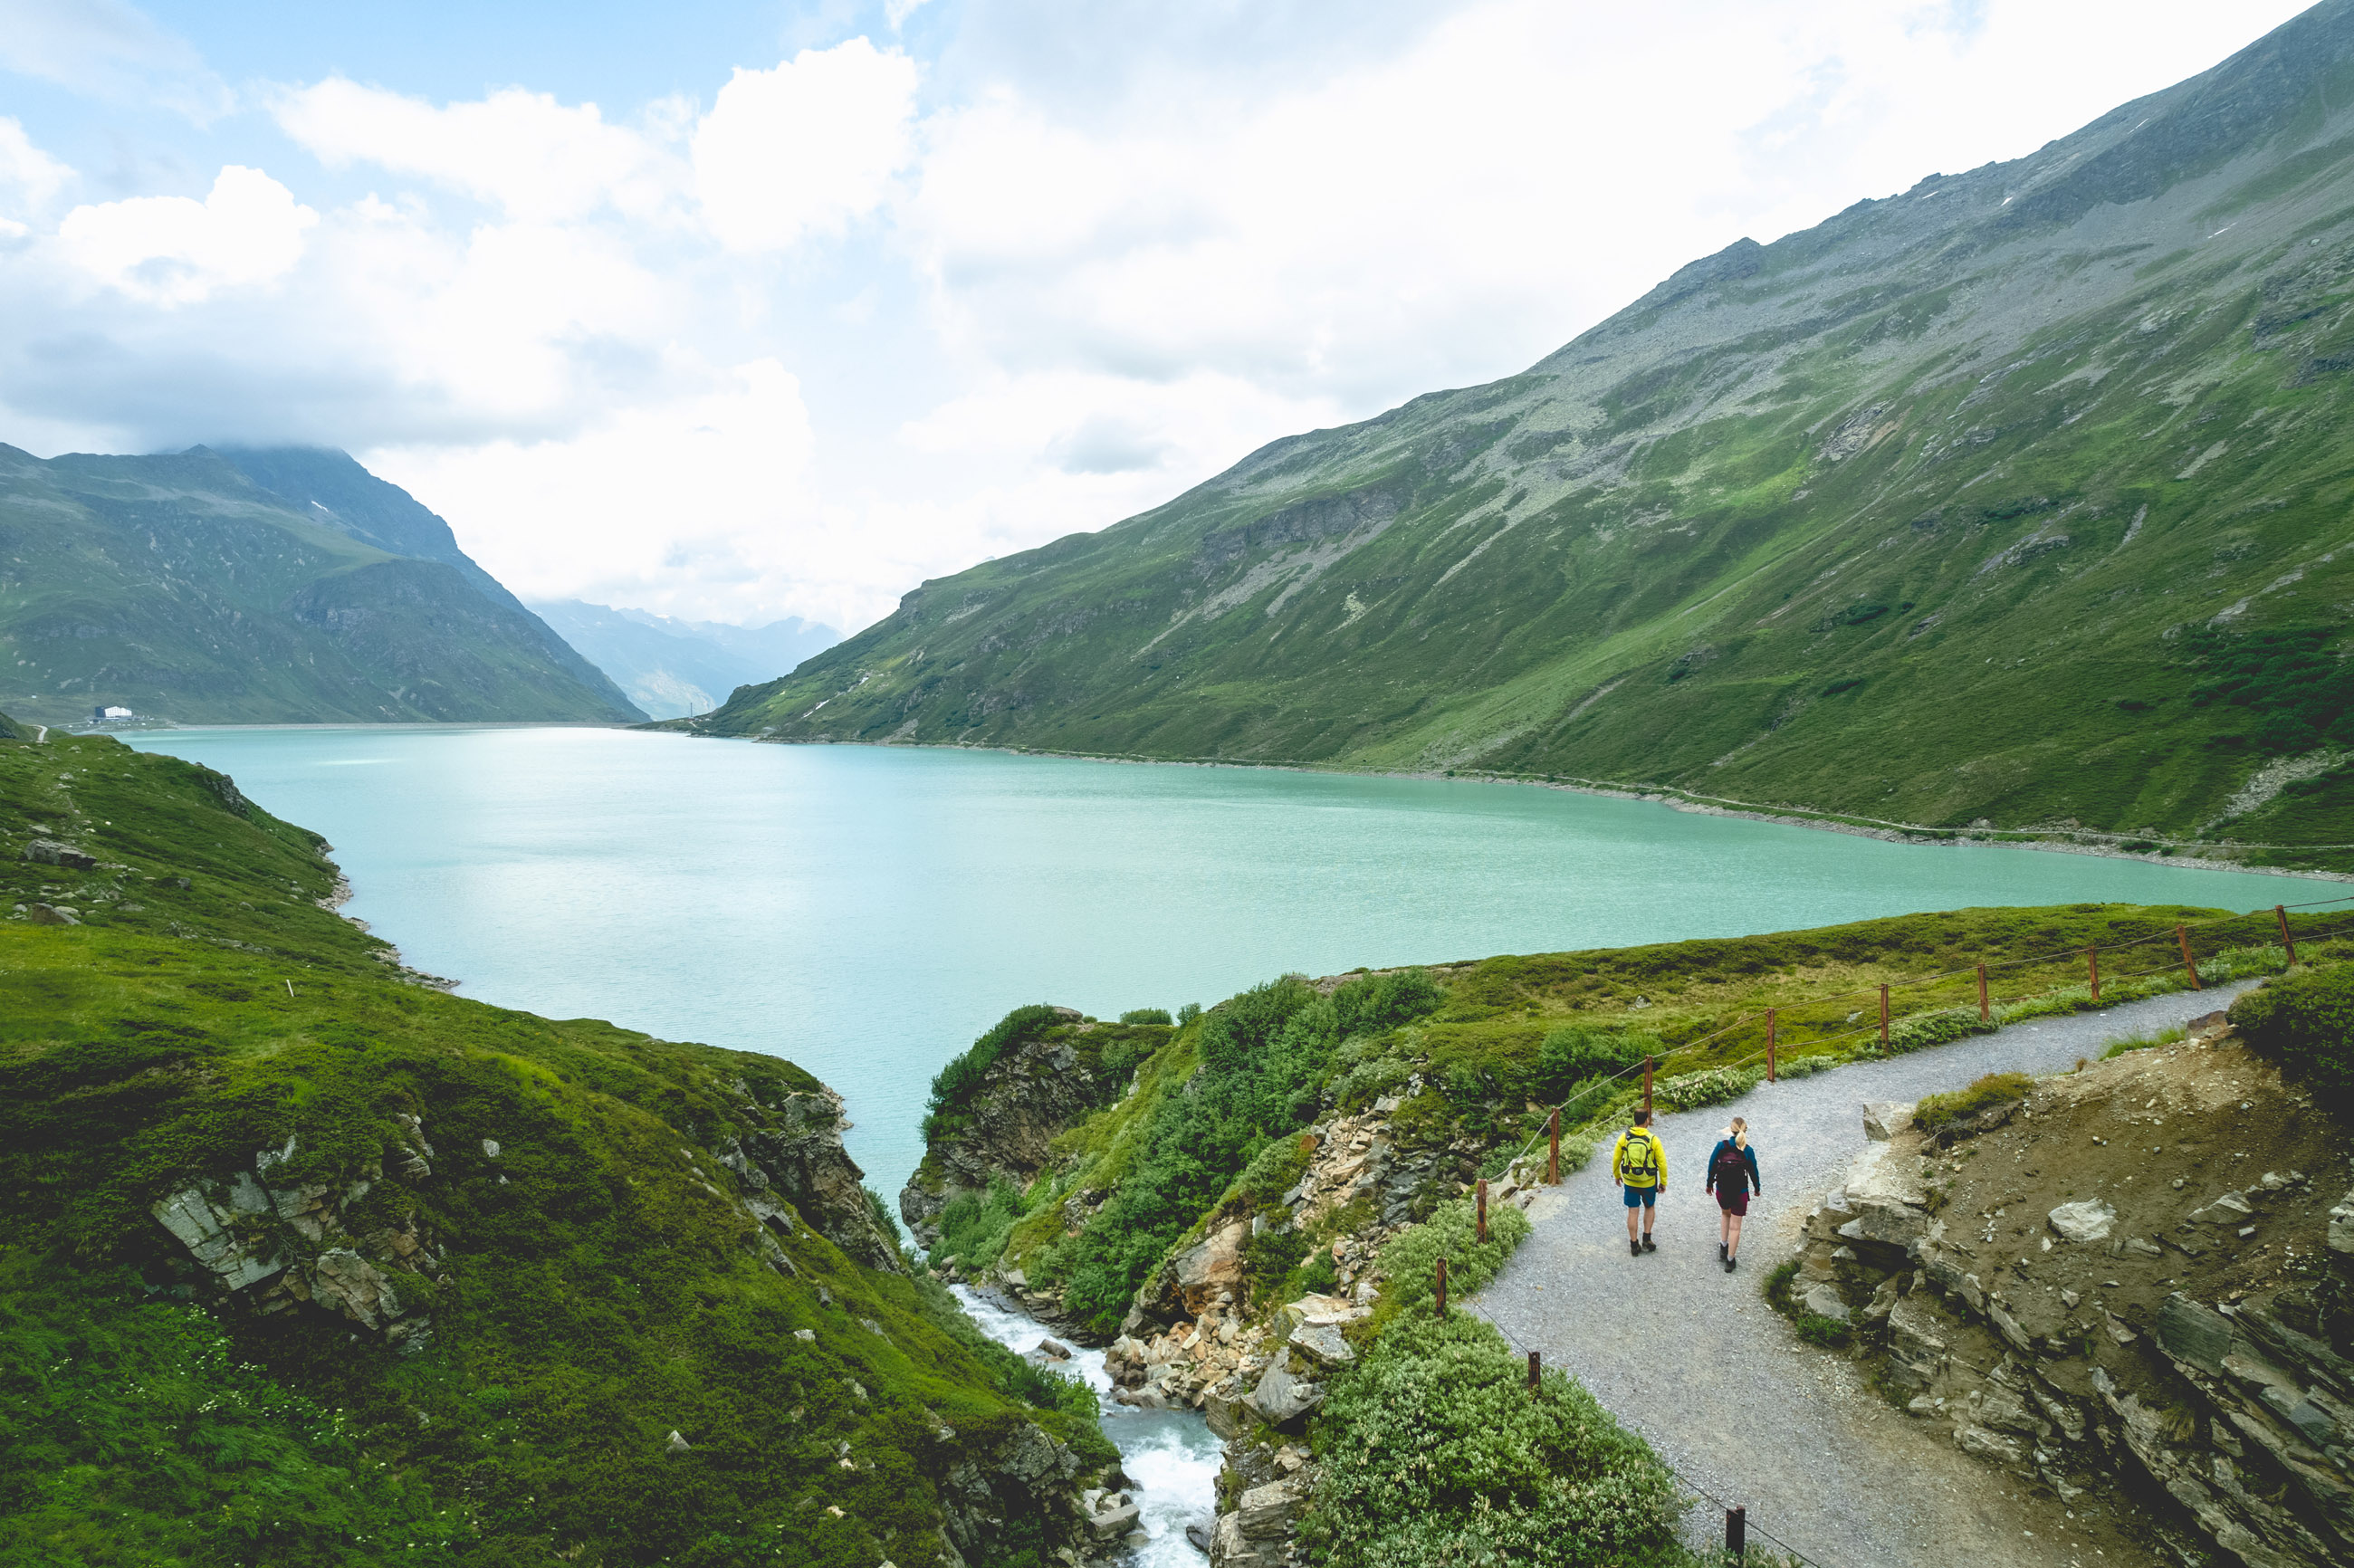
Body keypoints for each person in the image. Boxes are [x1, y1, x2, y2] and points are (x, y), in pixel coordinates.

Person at [1706, 1116, 1761, 1272]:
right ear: (1745, 1131)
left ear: (1731, 1130)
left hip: (1722, 1190)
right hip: (1740, 1192)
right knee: (1735, 1228)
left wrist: (1709, 1184)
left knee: (1725, 1214)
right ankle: (1730, 1260)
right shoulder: (1748, 1150)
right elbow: (1753, 1171)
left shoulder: (1721, 1146)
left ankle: (1723, 1245)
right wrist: (1757, 1188)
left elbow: (1712, 1166)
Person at [1611, 1109, 1667, 1256]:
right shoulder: (1653, 1139)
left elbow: (1616, 1159)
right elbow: (1662, 1163)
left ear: (1634, 1120)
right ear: (1647, 1120)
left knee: (1632, 1211)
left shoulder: (1624, 1138)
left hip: (1630, 1181)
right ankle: (1647, 1239)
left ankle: (1634, 1244)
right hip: (1648, 1181)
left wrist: (1617, 1175)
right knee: (1649, 1207)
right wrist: (1663, 1182)